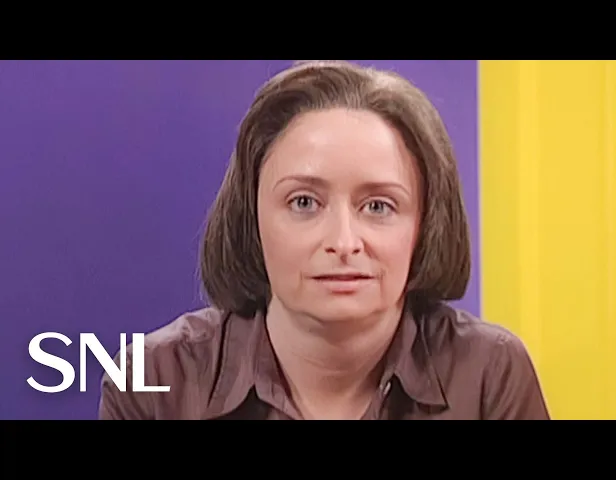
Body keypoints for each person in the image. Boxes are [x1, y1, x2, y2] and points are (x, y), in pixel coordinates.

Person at [98, 60, 550, 420]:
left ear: (425, 223)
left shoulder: (489, 373)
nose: (343, 242)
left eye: (378, 207)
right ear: (251, 217)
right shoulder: (155, 381)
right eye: (304, 203)